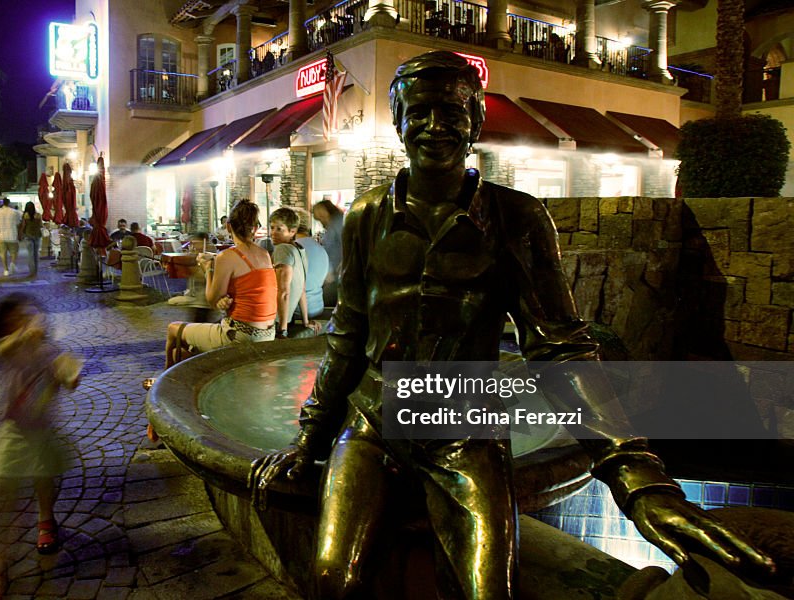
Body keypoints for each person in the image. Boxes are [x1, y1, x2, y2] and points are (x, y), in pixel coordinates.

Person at [248, 51, 776, 599]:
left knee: (489, 592)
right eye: (419, 111)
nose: (434, 126)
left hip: (465, 427)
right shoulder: (365, 216)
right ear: (399, 122)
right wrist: (310, 438)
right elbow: (348, 334)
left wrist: (635, 475)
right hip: (373, 425)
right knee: (334, 579)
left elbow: (560, 348)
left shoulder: (517, 218)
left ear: (475, 121)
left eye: (451, 112)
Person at [0, 293, 82, 598]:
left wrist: (69, 374)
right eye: (16, 319)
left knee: (43, 482)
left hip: (42, 432)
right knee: (3, 491)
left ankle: (45, 519)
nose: (26, 322)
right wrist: (22, 336)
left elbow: (70, 379)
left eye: (29, 317)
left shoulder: (50, 352)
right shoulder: (9, 350)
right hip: (12, 431)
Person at [163, 199, 277, 369]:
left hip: (240, 334)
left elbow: (211, 301)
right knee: (184, 352)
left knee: (173, 330)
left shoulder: (227, 257)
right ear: (255, 228)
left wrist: (208, 268)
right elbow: (249, 288)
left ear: (229, 227)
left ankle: (163, 387)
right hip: (268, 333)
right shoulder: (264, 254)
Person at [269, 207, 316, 338]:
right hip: (287, 318)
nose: (273, 233)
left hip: (275, 320)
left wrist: (282, 330)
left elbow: (283, 291)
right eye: (272, 227)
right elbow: (301, 289)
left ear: (292, 231)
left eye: (279, 229)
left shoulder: (282, 249)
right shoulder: (300, 250)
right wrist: (305, 321)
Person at [312, 198, 344, 306]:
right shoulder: (334, 223)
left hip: (337, 272)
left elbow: (346, 244)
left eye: (320, 215)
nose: (320, 219)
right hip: (334, 271)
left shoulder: (338, 222)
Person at [294, 224, 328, 319]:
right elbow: (329, 278)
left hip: (297, 311)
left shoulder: (293, 248)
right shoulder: (321, 249)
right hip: (318, 306)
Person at [0, 198, 22, 277]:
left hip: (1, 236)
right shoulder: (15, 212)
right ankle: (12, 264)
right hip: (12, 235)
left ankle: (6, 270)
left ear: (3, 203)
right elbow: (18, 223)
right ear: (9, 203)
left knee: (3, 254)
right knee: (14, 253)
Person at [19, 202, 43, 277]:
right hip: (37, 235)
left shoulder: (25, 216)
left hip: (28, 235)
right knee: (36, 254)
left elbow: (23, 226)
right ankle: (36, 271)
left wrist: (21, 234)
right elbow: (41, 225)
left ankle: (31, 271)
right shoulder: (38, 215)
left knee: (30, 254)